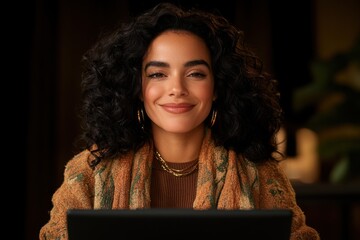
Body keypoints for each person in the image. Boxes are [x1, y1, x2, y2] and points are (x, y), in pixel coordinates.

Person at [39, 2, 320, 239]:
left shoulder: (259, 172)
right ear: (136, 88)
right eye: (158, 74)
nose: (177, 89)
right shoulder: (90, 170)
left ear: (218, 86)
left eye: (195, 73)